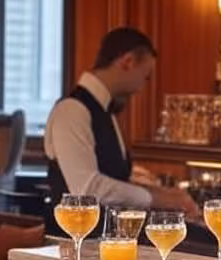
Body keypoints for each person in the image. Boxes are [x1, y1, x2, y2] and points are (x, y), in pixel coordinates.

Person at [44, 27, 199, 226]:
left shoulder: (105, 110)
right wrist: (158, 199)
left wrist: (161, 193)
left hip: (109, 244)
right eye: (145, 76)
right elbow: (87, 189)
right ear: (128, 62)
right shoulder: (72, 110)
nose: (141, 87)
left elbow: (113, 177)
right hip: (74, 246)